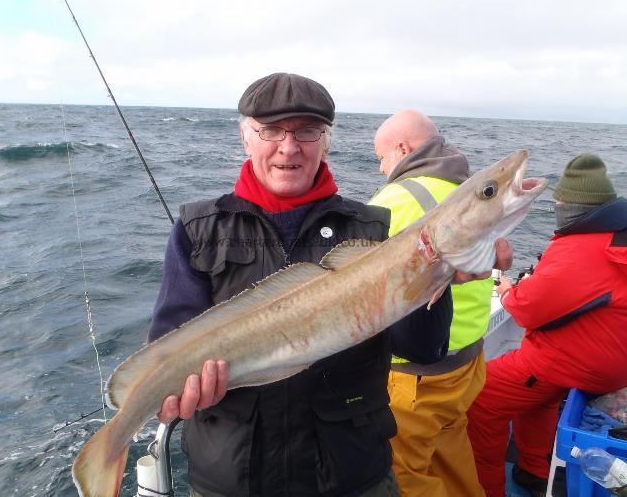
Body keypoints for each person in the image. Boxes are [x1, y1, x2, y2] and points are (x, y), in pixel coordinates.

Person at [148, 73, 457, 497]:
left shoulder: (370, 229)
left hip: (351, 477)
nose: (288, 148)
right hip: (232, 480)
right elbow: (168, 343)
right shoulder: (197, 230)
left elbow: (422, 348)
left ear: (325, 141)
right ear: (246, 138)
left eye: (306, 132)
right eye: (271, 130)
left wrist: (437, 271)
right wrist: (177, 394)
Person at [466, 153, 627, 497]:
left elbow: (526, 310)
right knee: (537, 396)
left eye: (559, 202)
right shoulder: (616, 234)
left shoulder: (579, 248)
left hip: (576, 361)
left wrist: (510, 291)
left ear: (574, 206)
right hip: (608, 357)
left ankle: (487, 489)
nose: (556, 206)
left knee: (483, 394)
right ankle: (535, 471)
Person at [368, 110, 501, 497]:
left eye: (381, 158)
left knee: (401, 472)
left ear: (402, 148)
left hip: (417, 374)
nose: (381, 170)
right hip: (467, 361)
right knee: (451, 454)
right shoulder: (464, 188)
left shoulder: (396, 199)